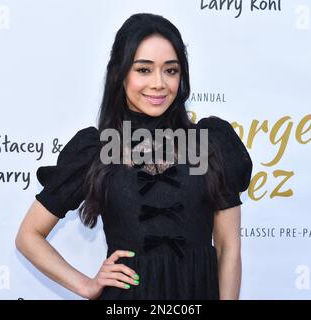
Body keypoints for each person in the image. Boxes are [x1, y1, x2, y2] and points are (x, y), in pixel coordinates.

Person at [15, 13, 252, 300]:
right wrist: (86, 285)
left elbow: (229, 247)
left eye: (171, 70)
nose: (159, 83)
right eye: (143, 70)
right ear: (120, 73)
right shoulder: (97, 149)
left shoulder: (209, 142)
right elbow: (28, 235)